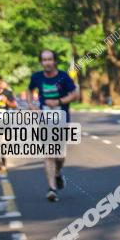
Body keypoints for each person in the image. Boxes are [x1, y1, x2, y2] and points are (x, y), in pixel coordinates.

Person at [27, 50, 78, 202]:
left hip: (61, 118)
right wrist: (31, 104)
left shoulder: (63, 76)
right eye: (44, 60)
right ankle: (52, 188)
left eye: (50, 59)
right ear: (41, 62)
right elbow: (30, 90)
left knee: (60, 156)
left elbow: (74, 94)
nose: (47, 62)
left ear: (54, 61)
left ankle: (57, 173)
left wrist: (59, 102)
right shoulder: (37, 77)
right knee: (49, 154)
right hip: (45, 119)